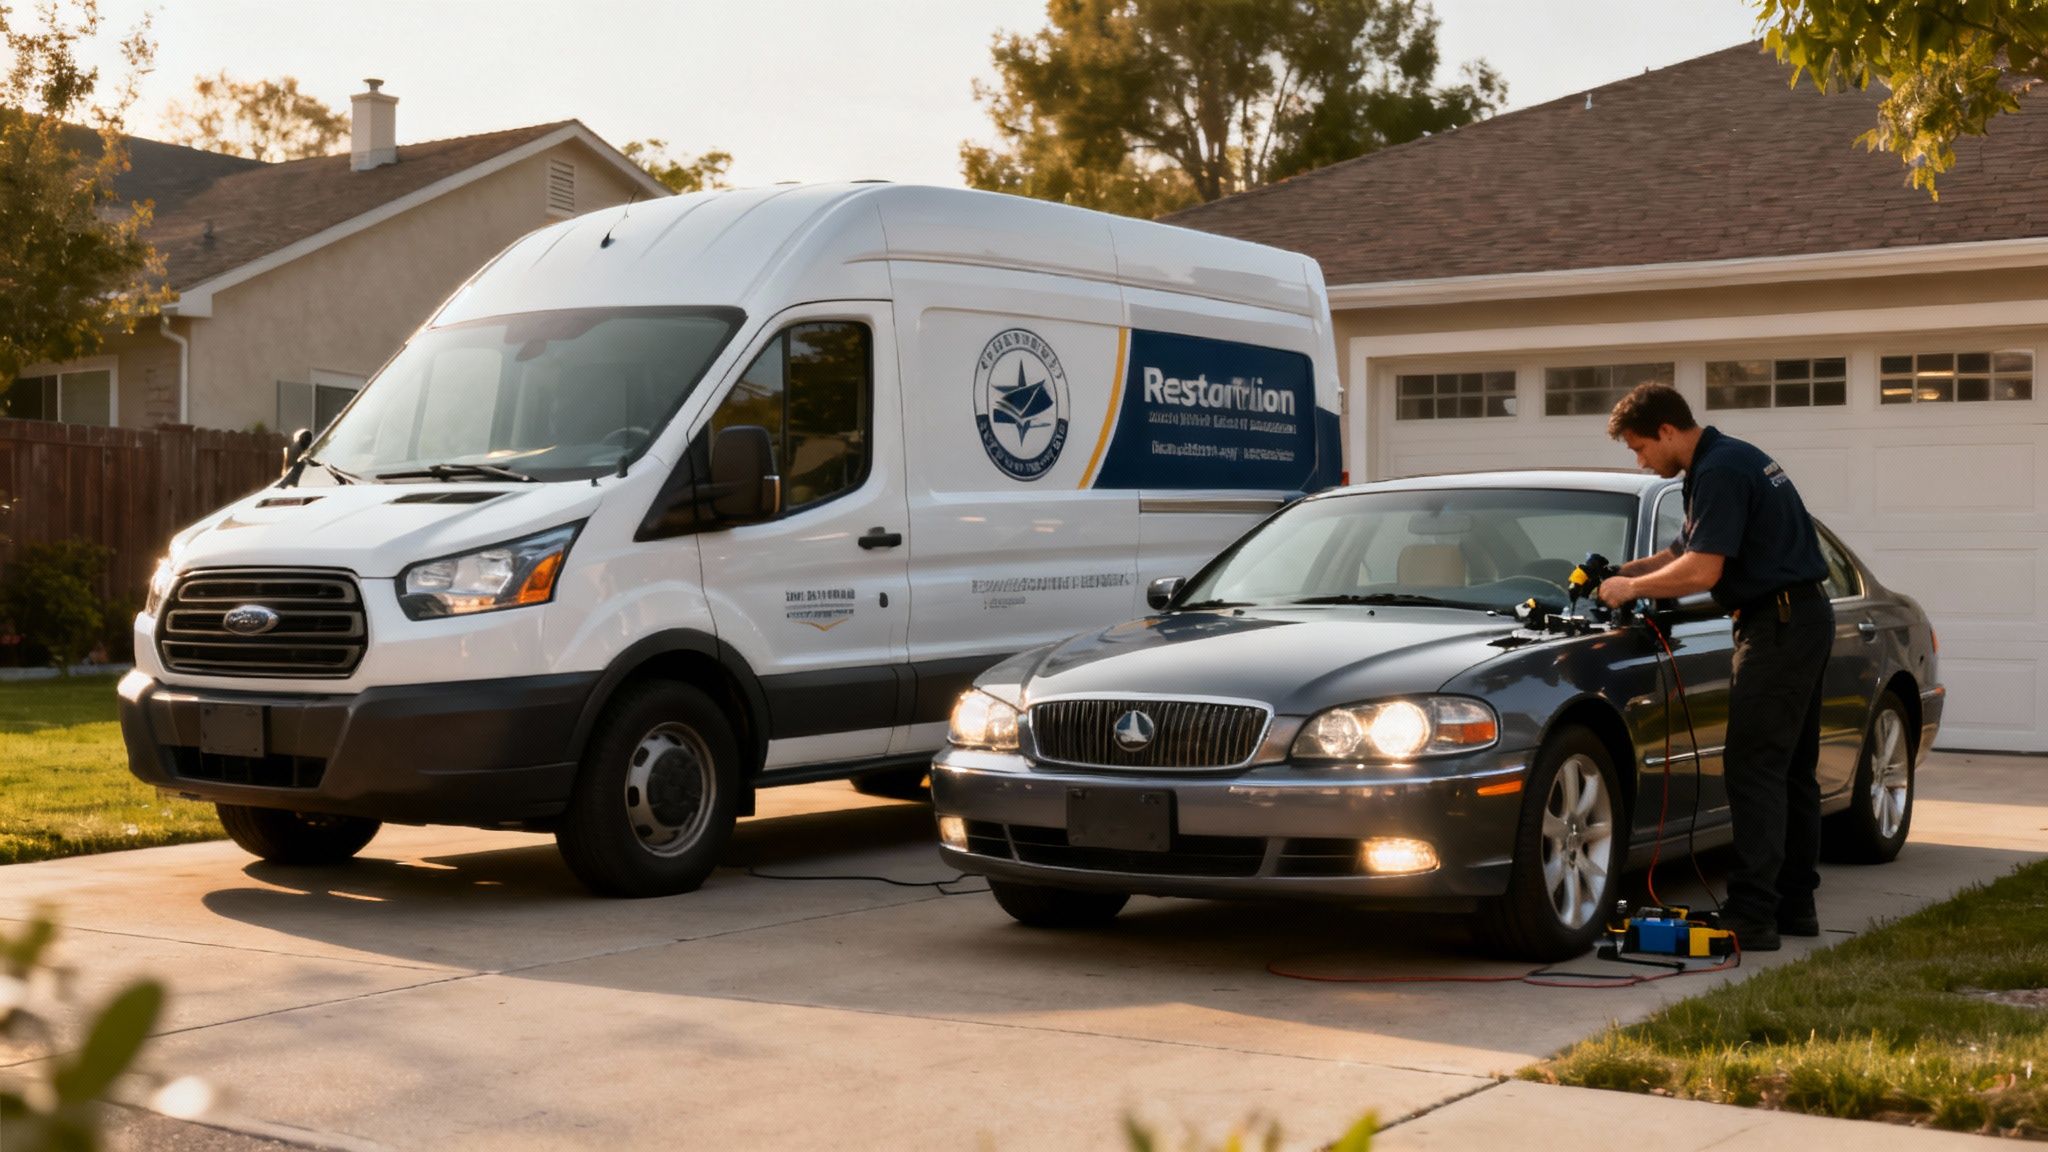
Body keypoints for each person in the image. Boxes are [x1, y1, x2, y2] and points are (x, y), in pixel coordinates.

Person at [1595, 383, 1831, 951]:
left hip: (1776, 623)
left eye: (1639, 448)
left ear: (1668, 431)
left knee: (1754, 769)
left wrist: (1631, 589)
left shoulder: (1720, 470)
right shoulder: (1724, 461)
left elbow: (1701, 572)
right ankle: (1794, 906)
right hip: (1798, 617)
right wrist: (1620, 570)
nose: (1640, 459)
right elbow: (1681, 552)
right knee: (1790, 772)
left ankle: (1752, 916)